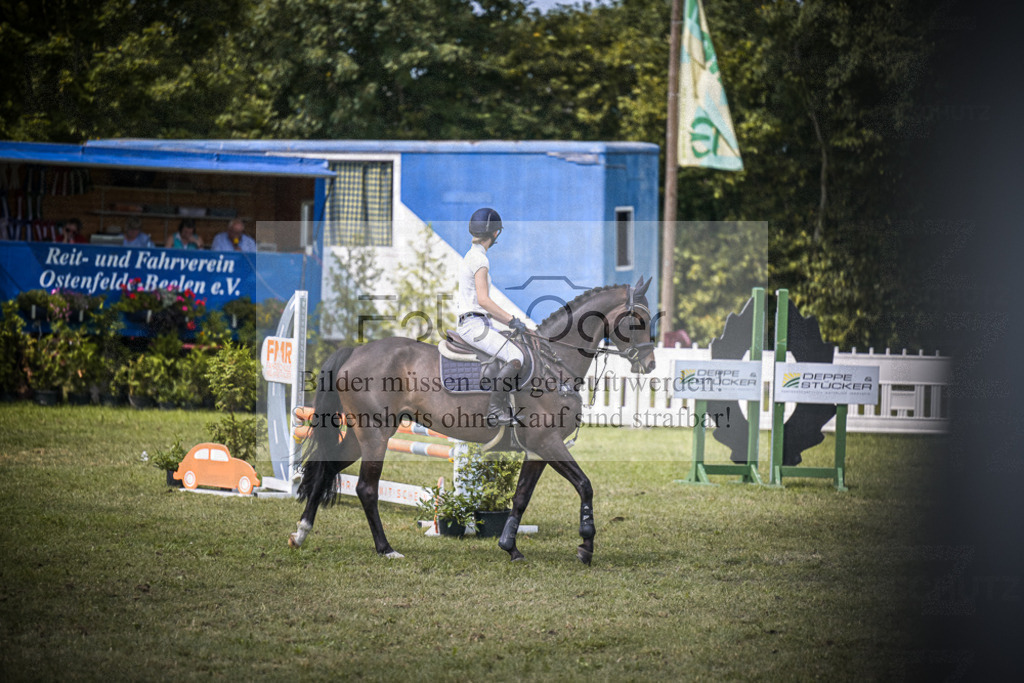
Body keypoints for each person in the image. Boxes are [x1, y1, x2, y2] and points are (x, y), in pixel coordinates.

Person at [456, 208, 528, 426]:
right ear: (495, 234)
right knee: (517, 356)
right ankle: (495, 410)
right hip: (473, 325)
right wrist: (511, 319)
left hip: (477, 322)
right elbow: (484, 300)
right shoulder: (480, 260)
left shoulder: (471, 256)